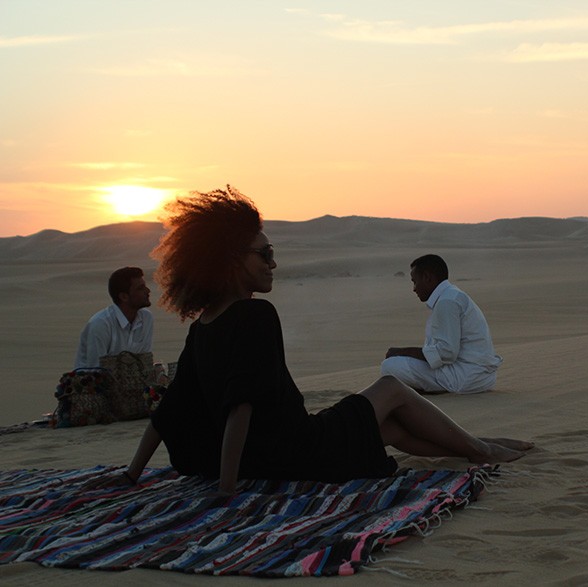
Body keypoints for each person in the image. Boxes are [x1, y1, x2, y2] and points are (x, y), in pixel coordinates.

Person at [115, 187, 532, 495]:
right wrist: (227, 488)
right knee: (390, 388)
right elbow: (240, 404)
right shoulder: (255, 314)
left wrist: (133, 473)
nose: (273, 263)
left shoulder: (203, 325)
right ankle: (482, 448)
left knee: (384, 427)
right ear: (230, 260)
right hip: (295, 451)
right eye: (265, 253)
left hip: (271, 451)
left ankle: (476, 448)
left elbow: (171, 408)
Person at [381, 254, 502, 394]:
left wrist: (402, 352)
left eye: (415, 281)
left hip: (466, 377)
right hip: (475, 374)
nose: (414, 289)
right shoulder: (450, 296)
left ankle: (426, 390)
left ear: (427, 277)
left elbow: (447, 353)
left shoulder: (447, 301)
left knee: (389, 366)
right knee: (398, 361)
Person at [74, 266, 153, 369]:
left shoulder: (146, 318)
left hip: (131, 381)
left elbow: (144, 361)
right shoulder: (101, 324)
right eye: (140, 288)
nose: (148, 291)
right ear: (124, 297)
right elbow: (95, 370)